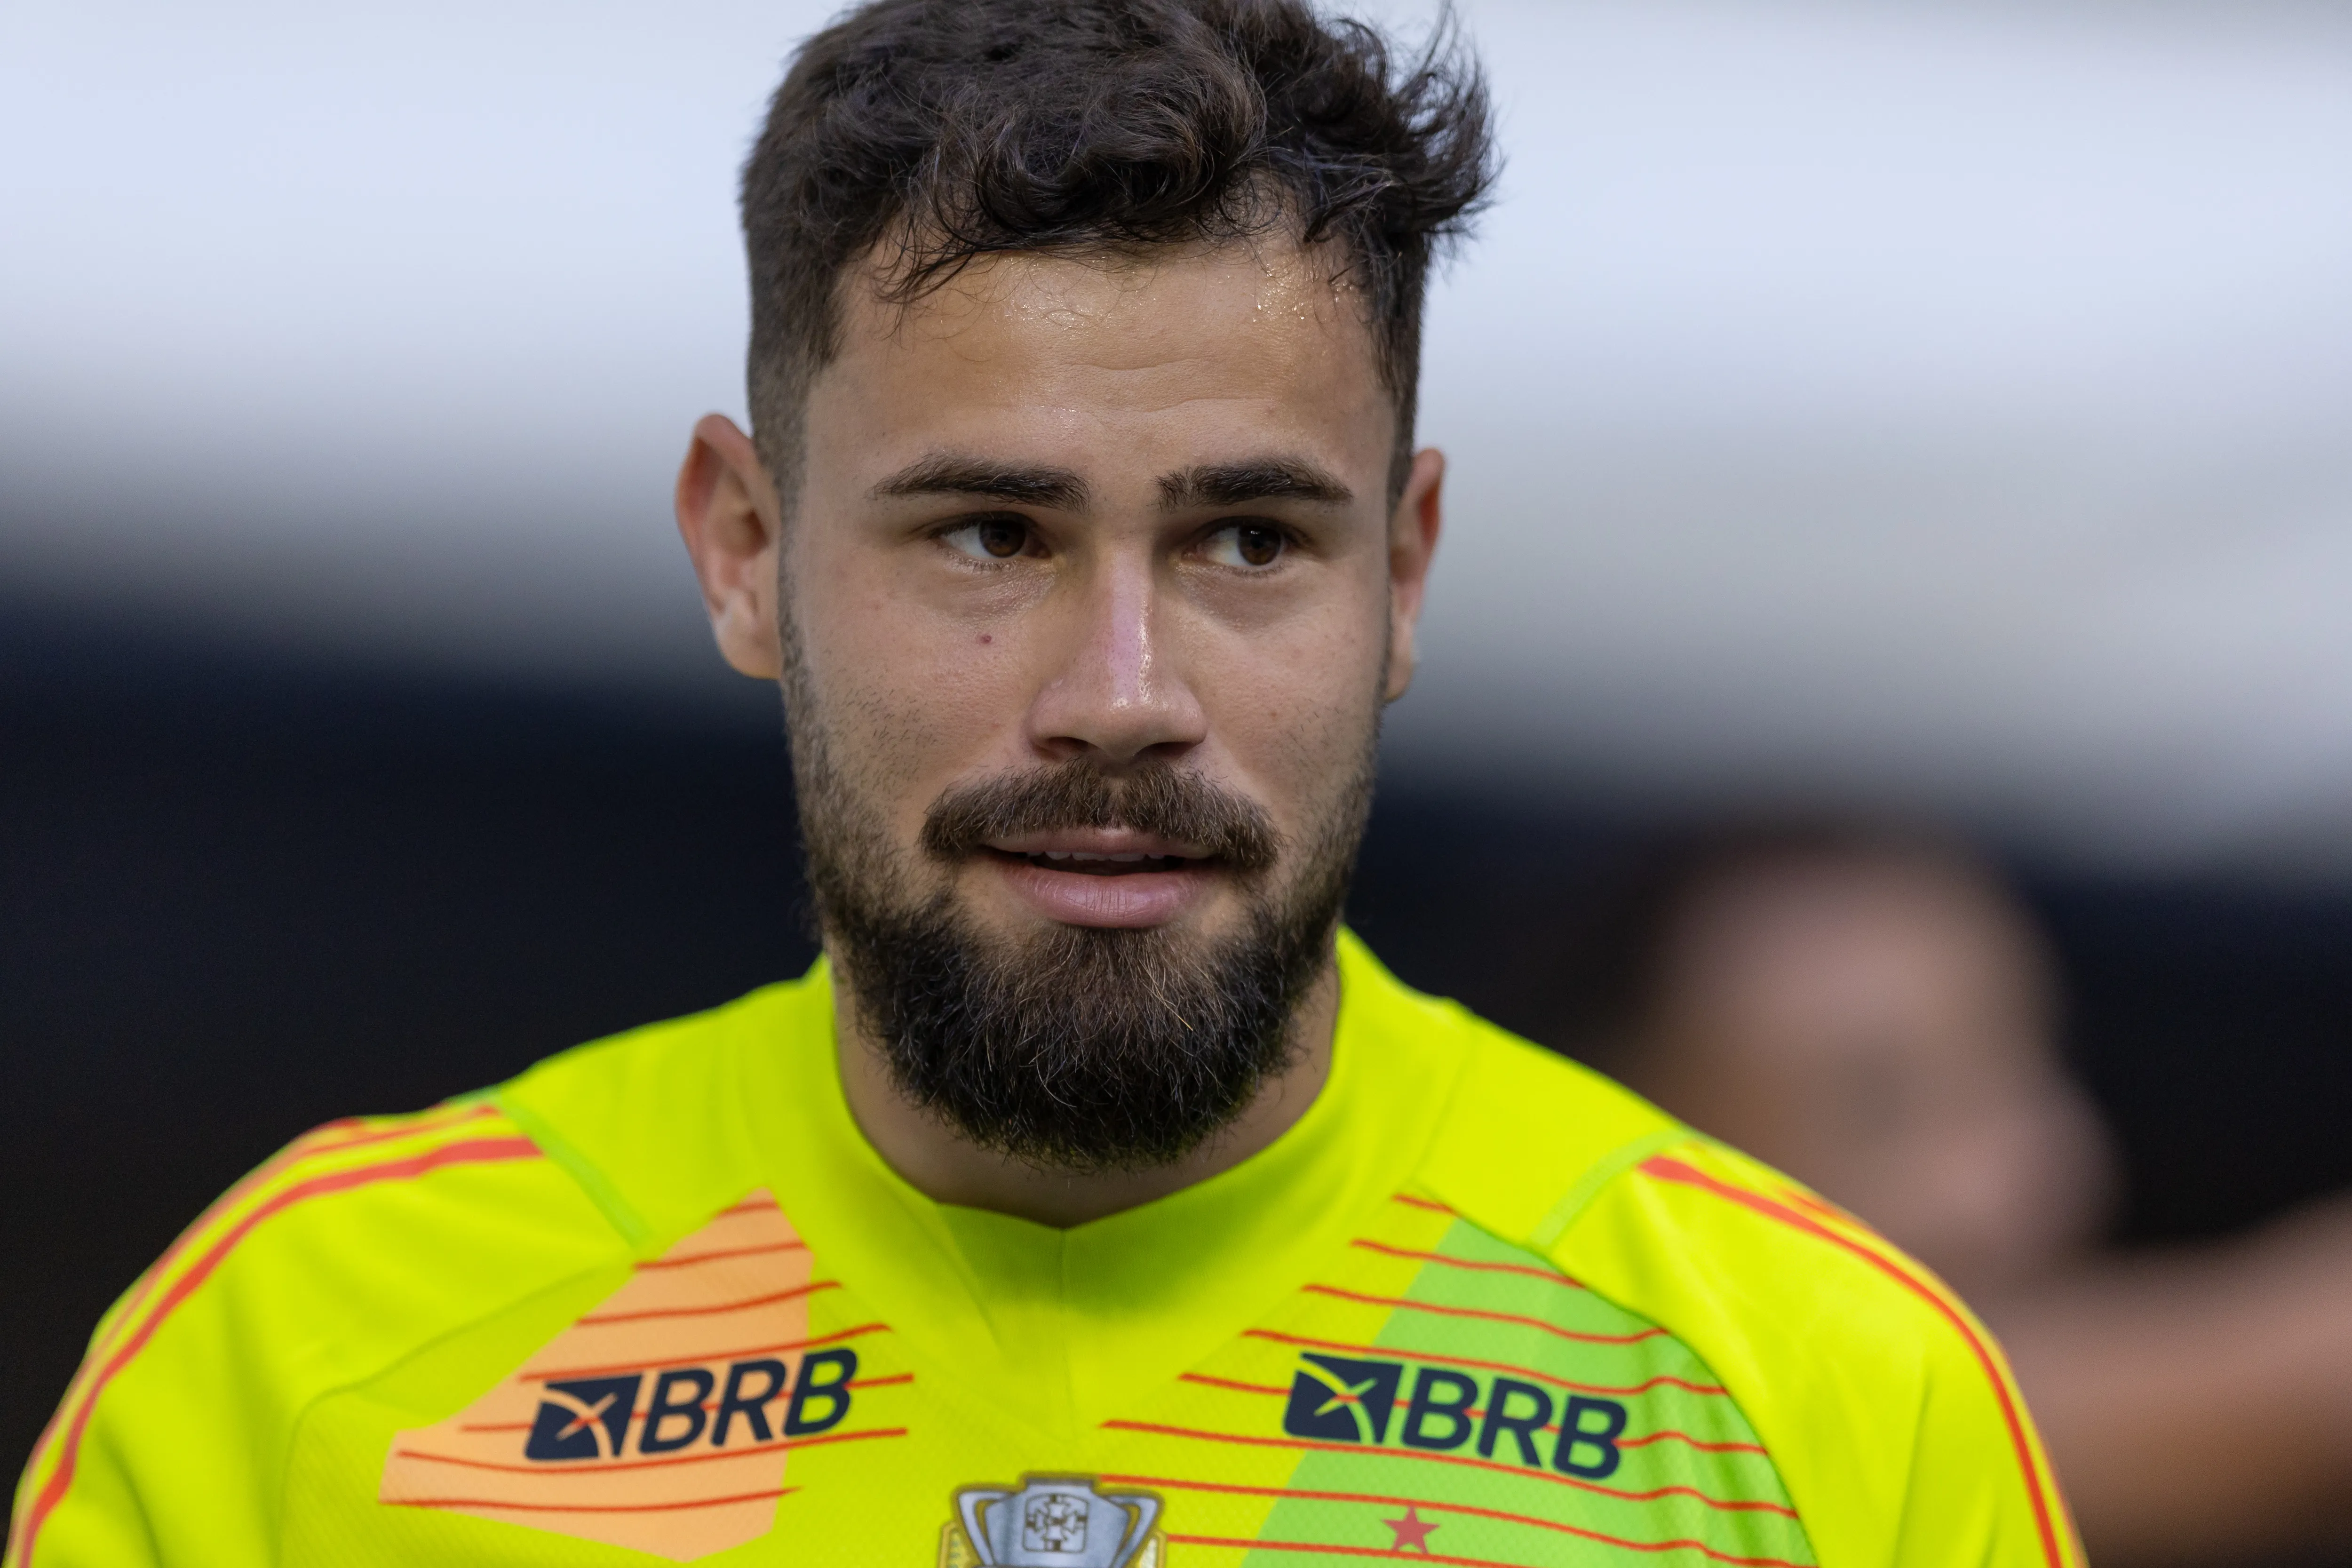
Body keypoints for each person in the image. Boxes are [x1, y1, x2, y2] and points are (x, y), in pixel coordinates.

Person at [7, 6, 2074, 1565]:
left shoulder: (1821, 1391)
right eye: (989, 533)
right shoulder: (295, 1358)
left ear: (1406, 571)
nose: (1120, 697)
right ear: (743, 547)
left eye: (1248, 540)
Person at [1560, 821, 2352, 1567]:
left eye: (2023, 1064)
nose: (2009, 1181)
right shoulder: (1692, 1427)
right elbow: (2310, 1398)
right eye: (1883, 1113)